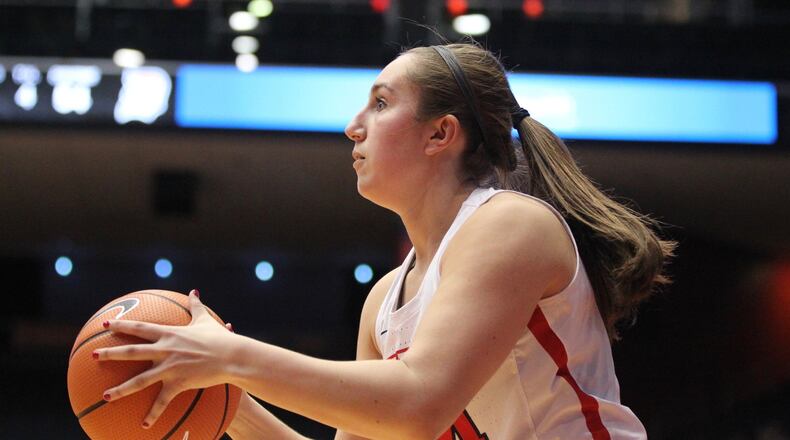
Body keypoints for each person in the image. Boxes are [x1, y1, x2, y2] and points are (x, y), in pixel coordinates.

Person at [94, 43, 675, 439]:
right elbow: (391, 417)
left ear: (440, 134)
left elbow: (418, 402)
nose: (354, 126)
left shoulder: (510, 225)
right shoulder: (384, 301)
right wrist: (225, 399)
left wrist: (232, 356)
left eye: (380, 102)